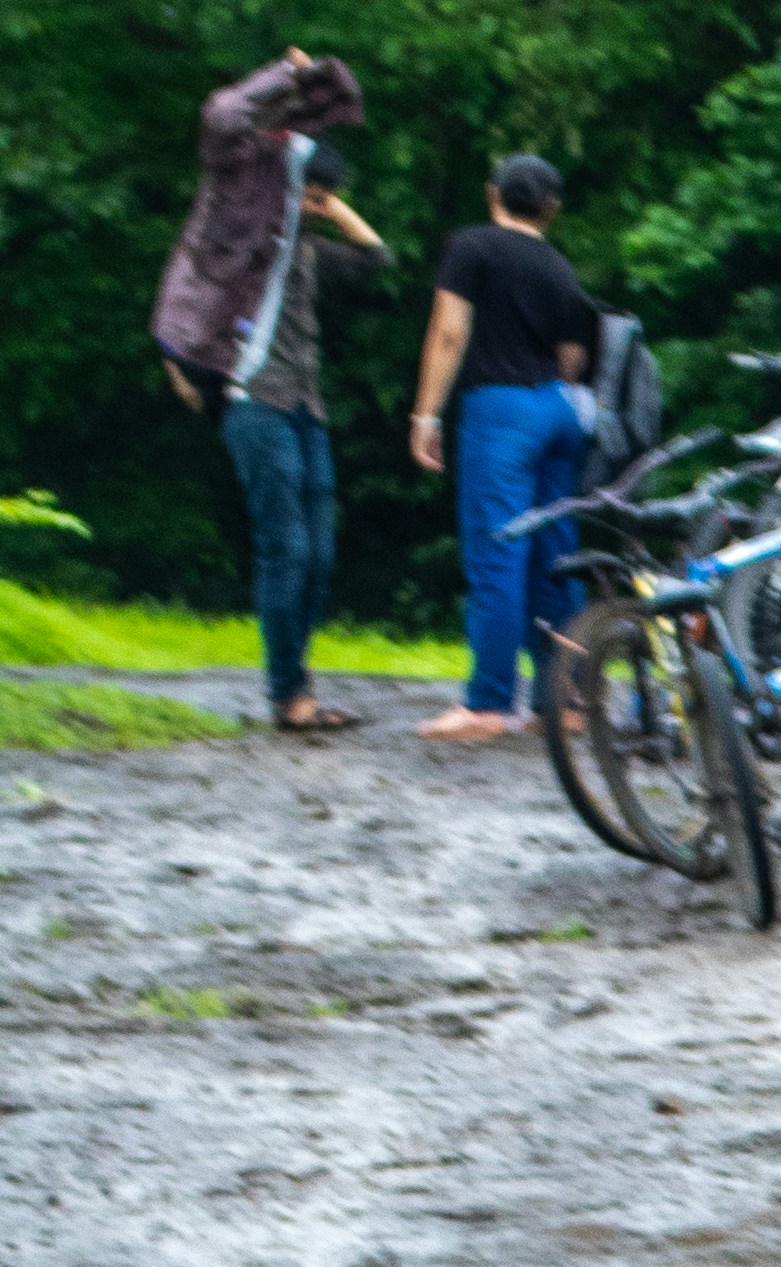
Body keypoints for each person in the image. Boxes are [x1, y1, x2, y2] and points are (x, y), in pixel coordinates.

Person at [151, 43, 382, 735]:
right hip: (254, 400)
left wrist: (331, 209)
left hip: (305, 404)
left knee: (318, 552)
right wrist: (286, 76)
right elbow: (223, 115)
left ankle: (298, 681)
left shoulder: (303, 249)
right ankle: (290, 696)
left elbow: (377, 263)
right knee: (285, 548)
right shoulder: (236, 212)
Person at [409, 153, 602, 747]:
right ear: (552, 209)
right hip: (560, 410)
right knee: (554, 557)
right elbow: (574, 355)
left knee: (497, 555)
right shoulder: (560, 267)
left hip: (501, 411)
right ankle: (564, 701)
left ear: (494, 195)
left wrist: (426, 414)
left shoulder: (474, 247)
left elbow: (449, 330)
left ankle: (488, 704)